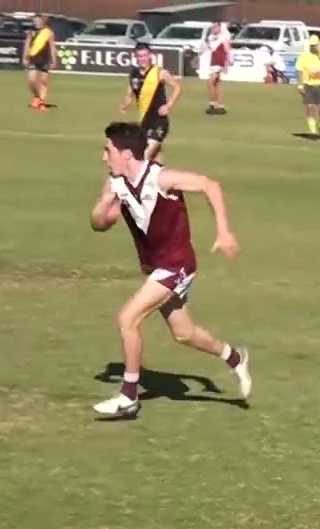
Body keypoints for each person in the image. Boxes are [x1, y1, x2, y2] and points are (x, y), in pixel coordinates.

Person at [89, 121, 250, 419]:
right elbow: (99, 223)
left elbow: (210, 185)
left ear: (126, 154)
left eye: (107, 150)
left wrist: (224, 232)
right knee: (184, 333)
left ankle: (129, 397)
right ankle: (235, 357)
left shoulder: (161, 178)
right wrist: (104, 206)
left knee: (127, 319)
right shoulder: (115, 183)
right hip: (157, 268)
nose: (103, 157)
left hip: (177, 265)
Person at [119, 44, 182, 162]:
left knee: (146, 154)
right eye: (139, 56)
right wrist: (126, 102)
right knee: (155, 159)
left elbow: (177, 87)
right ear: (136, 57)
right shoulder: (134, 74)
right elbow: (130, 91)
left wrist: (169, 105)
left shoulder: (159, 72)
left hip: (159, 121)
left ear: (150, 56)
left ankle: (144, 174)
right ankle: (162, 173)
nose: (142, 59)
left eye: (145, 55)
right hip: (144, 122)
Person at [295, 34, 320, 140]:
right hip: (308, 85)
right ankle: (312, 130)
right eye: (312, 45)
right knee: (309, 107)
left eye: (315, 45)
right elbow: (299, 70)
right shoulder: (304, 56)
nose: (313, 47)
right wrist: (300, 85)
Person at [21, 14, 57, 111]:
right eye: (35, 21)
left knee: (43, 81)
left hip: (44, 59)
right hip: (33, 58)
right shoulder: (31, 32)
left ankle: (41, 102)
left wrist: (54, 60)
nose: (36, 22)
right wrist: (25, 57)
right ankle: (37, 96)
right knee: (31, 81)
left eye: (38, 20)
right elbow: (27, 44)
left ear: (43, 21)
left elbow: (52, 46)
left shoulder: (48, 32)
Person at [201, 21, 232, 115]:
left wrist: (226, 64)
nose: (214, 29)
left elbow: (227, 51)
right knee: (217, 83)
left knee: (210, 82)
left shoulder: (223, 37)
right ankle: (220, 104)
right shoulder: (211, 37)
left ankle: (213, 103)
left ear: (219, 27)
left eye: (215, 27)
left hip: (219, 62)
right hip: (213, 62)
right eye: (213, 27)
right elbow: (210, 49)